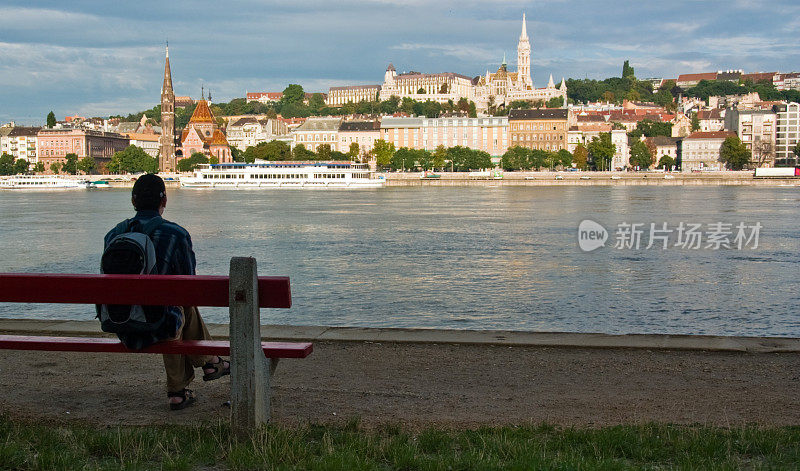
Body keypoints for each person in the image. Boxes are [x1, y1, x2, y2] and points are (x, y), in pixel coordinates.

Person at [104, 173, 230, 410]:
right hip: (156, 326)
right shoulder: (175, 234)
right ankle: (200, 371)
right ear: (164, 201)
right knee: (176, 309)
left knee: (173, 307)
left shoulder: (113, 235)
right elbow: (189, 287)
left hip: (120, 324)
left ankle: (203, 371)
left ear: (133, 201)